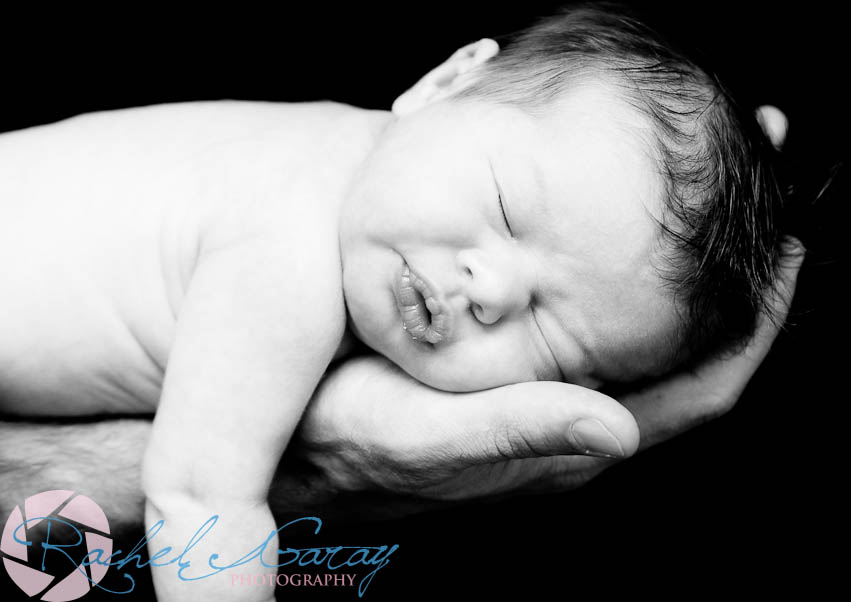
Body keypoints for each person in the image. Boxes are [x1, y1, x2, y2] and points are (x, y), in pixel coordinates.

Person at [0, 4, 801, 601]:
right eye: (505, 204)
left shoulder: (359, 169)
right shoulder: (292, 245)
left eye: (554, 338)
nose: (489, 290)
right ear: (442, 83)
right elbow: (200, 500)